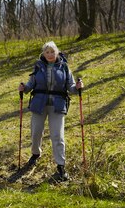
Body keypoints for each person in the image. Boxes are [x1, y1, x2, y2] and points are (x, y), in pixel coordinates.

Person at [18, 41, 83, 181]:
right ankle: (35, 154)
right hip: (38, 104)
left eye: (52, 52)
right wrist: (24, 88)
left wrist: (77, 87)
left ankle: (61, 166)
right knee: (35, 133)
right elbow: (30, 84)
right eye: (47, 52)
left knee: (57, 136)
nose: (50, 54)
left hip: (57, 105)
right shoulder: (38, 66)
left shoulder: (64, 67)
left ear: (57, 52)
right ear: (43, 53)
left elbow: (70, 87)